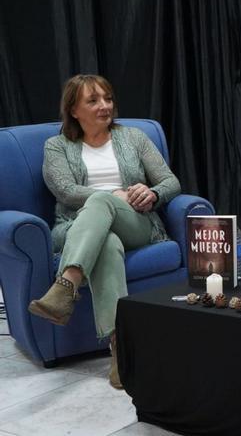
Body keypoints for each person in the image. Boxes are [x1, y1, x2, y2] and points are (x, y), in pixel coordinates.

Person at [29, 74, 182, 390]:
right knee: (106, 241)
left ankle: (65, 286)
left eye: (108, 98)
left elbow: (170, 182)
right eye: (93, 100)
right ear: (73, 110)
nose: (104, 106)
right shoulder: (57, 146)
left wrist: (151, 194)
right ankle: (119, 353)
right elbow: (66, 191)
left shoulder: (134, 137)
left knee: (103, 203)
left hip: (136, 224)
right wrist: (113, 195)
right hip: (74, 227)